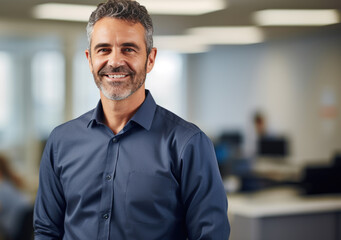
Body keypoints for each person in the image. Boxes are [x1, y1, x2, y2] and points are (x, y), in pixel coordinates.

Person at [33, 0, 230, 239]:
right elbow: (46, 230)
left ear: (150, 58)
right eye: (103, 49)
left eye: (128, 49)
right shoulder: (61, 141)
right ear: (89, 59)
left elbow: (210, 235)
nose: (115, 61)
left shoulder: (188, 144)